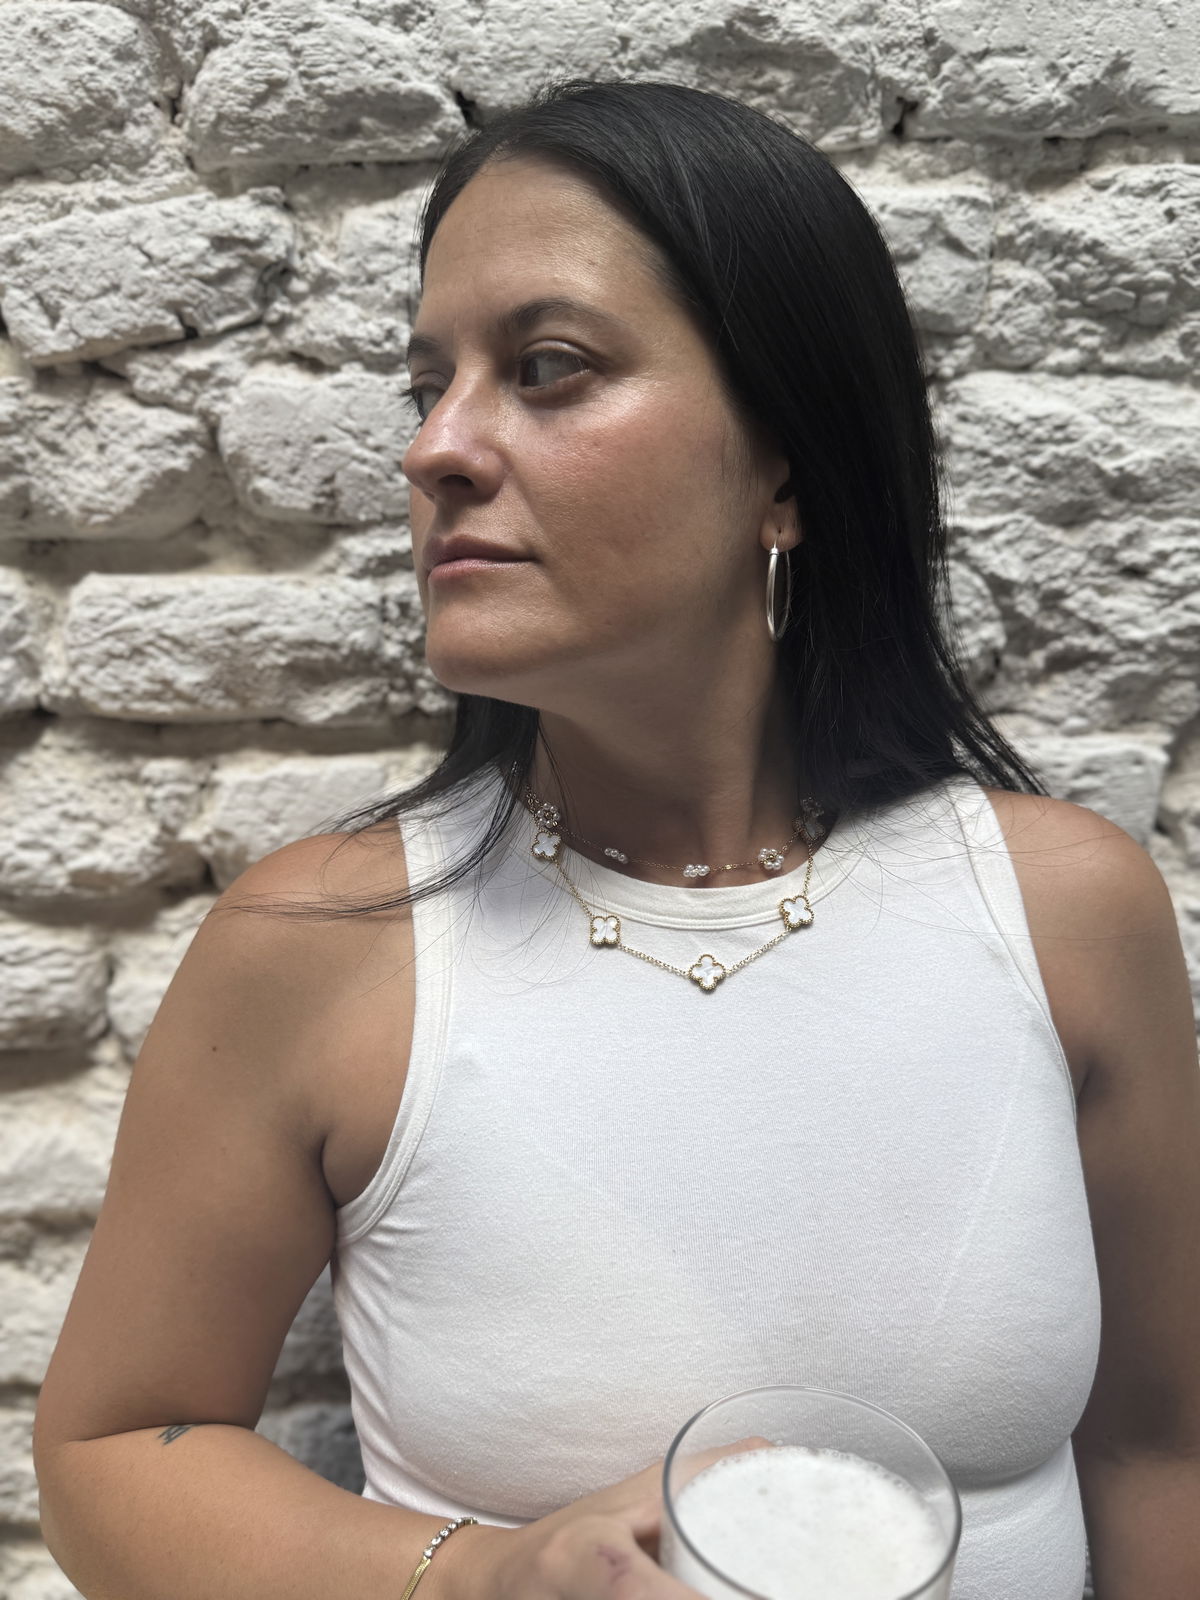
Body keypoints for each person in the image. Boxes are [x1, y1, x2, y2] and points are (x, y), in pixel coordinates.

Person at [32, 77, 1199, 1600]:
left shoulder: (1064, 912)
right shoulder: (318, 952)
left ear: (784, 468)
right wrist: (477, 1575)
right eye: (429, 383)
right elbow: (115, 1450)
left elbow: (1161, 1446)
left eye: (549, 370)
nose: (437, 449)